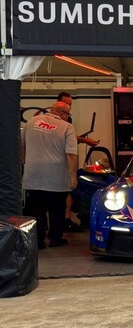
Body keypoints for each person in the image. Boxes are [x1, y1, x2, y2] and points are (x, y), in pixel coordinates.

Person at [22, 101, 78, 248]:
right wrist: (73, 176)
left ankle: (38, 240)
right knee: (57, 208)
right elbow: (71, 155)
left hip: (33, 175)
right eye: (67, 114)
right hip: (56, 177)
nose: (67, 117)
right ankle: (55, 238)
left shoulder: (31, 122)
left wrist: (25, 163)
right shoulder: (67, 127)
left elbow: (21, 145)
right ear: (62, 113)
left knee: (35, 209)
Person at [57, 91, 99, 231]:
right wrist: (85, 140)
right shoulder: (56, 119)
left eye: (70, 104)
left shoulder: (67, 120)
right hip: (58, 162)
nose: (68, 107)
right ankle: (61, 222)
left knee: (68, 192)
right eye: (65, 104)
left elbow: (67, 138)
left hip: (62, 160)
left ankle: (66, 220)